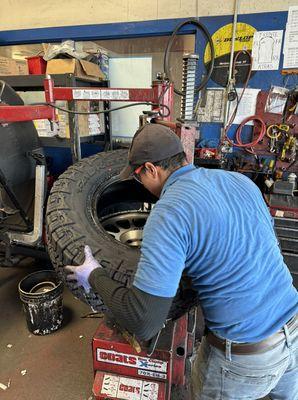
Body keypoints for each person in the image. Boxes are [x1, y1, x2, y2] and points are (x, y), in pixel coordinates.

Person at [66, 123, 298, 400]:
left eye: (138, 177)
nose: (140, 184)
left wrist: (94, 275)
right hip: (293, 332)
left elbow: (144, 321)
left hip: (244, 357)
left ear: (150, 169)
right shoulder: (239, 181)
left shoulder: (169, 213)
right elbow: (266, 242)